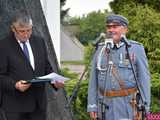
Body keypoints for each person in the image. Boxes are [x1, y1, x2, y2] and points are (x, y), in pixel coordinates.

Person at [0, 10, 64, 120]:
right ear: (13, 29)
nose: (26, 34)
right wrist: (15, 85)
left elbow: (46, 67)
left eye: (29, 30)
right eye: (21, 31)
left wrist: (55, 82)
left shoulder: (39, 42)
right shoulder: (4, 46)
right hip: (15, 107)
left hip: (38, 105)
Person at [87, 14, 150, 120]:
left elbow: (144, 80)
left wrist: (145, 108)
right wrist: (92, 106)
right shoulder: (100, 49)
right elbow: (93, 80)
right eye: (108, 27)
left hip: (128, 106)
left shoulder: (135, 49)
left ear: (125, 29)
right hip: (104, 106)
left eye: (115, 26)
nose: (111, 30)